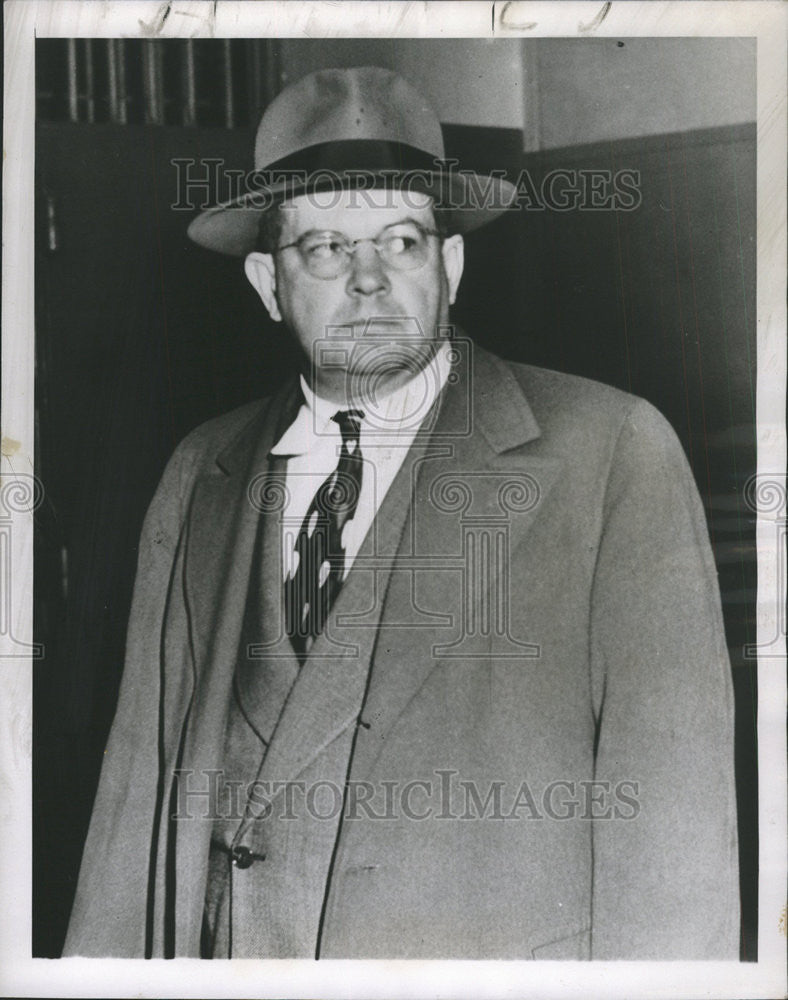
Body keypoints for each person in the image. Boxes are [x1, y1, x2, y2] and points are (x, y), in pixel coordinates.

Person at [63, 66, 739, 960]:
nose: (371, 279)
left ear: (450, 264)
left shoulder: (610, 453)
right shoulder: (201, 471)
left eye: (402, 240)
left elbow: (677, 838)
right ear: (268, 283)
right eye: (327, 249)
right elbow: (133, 806)